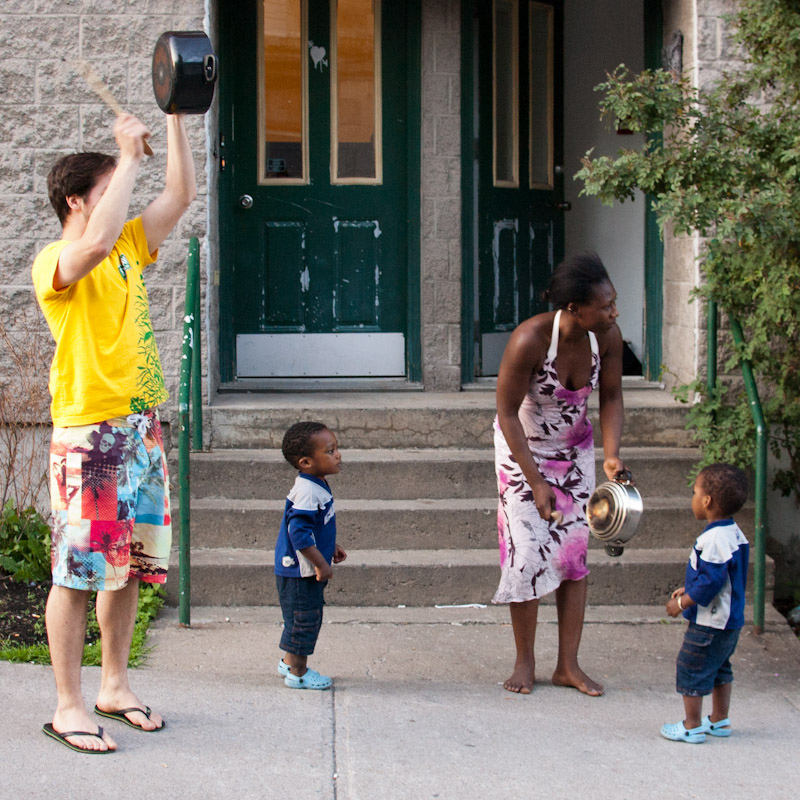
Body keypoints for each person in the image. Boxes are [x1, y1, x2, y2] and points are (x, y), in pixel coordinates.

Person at [32, 112, 196, 753]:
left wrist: (175, 115)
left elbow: (179, 198)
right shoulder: (57, 260)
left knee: (126, 568)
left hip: (139, 427)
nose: (125, 197)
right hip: (90, 436)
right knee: (78, 572)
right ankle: (68, 705)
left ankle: (115, 686)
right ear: (76, 200)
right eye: (111, 188)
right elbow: (92, 248)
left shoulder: (130, 243)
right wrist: (128, 158)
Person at [493, 252, 626, 696]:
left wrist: (611, 456)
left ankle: (567, 665)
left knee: (573, 557)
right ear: (574, 308)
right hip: (522, 451)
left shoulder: (605, 337)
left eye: (613, 303)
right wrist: (534, 481)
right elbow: (507, 414)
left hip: (574, 450)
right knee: (528, 554)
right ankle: (524, 661)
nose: (613, 311)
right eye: (605, 306)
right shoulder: (529, 340)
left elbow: (610, 397)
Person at [661, 463, 750, 744]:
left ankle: (691, 725)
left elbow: (711, 583)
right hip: (729, 621)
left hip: (710, 623)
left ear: (707, 501)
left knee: (691, 667)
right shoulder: (734, 532)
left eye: (694, 492)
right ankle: (720, 720)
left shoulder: (713, 539)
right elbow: (722, 576)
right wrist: (691, 586)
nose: (693, 498)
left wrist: (684, 602)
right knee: (720, 668)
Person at [275, 421, 348, 689]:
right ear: (306, 462)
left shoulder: (315, 484)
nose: (338, 455)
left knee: (298, 618)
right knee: (304, 621)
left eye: (336, 448)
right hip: (301, 572)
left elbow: (314, 526)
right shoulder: (307, 491)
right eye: (330, 451)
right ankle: (299, 673)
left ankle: (287, 661)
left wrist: (331, 547)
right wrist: (321, 563)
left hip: (303, 568)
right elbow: (300, 534)